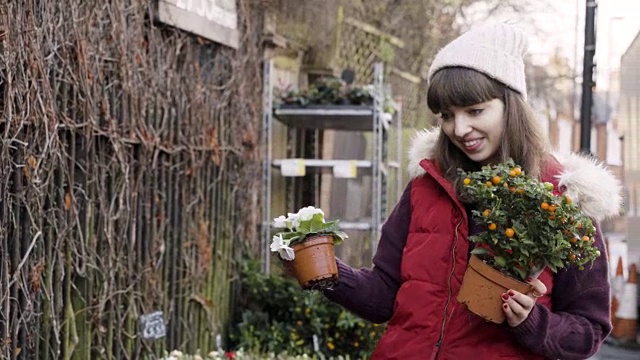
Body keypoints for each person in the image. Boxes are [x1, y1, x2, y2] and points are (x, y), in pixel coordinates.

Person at [323, 23, 621, 359]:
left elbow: (588, 332)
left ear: (511, 106)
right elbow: (383, 296)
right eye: (447, 115)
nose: (459, 129)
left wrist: (531, 321)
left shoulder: (563, 199)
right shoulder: (426, 186)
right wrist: (325, 271)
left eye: (475, 111)